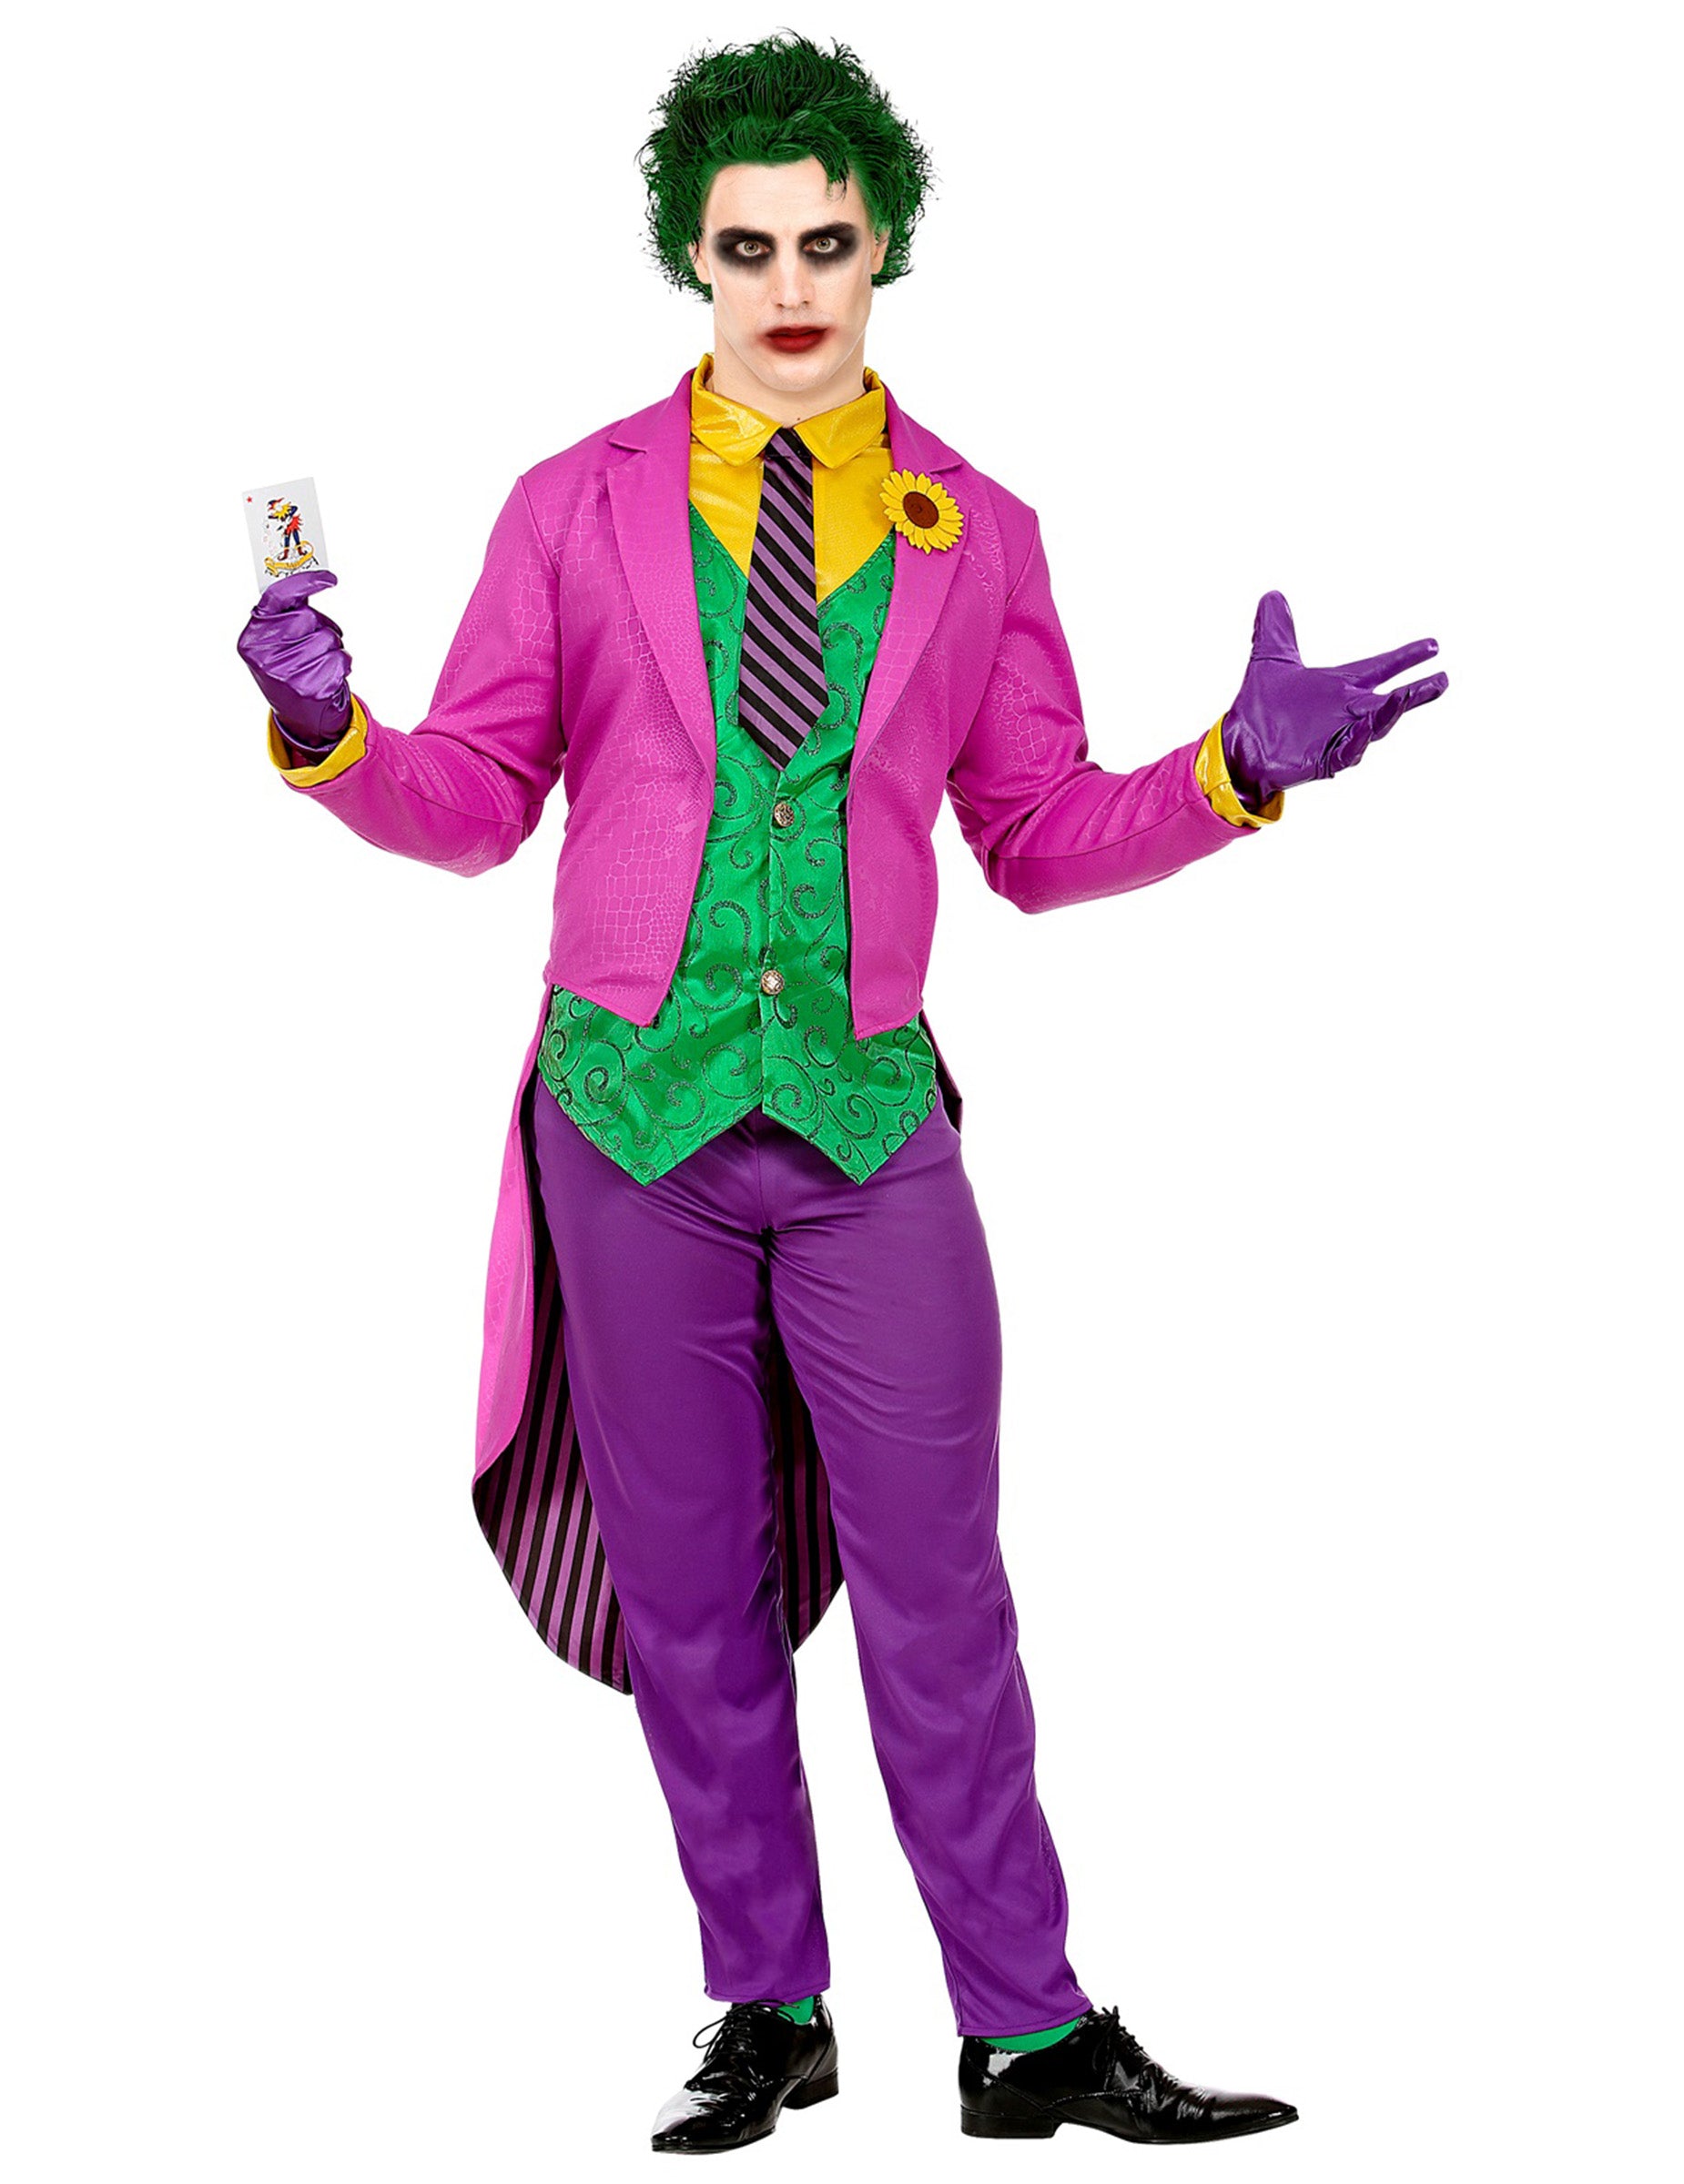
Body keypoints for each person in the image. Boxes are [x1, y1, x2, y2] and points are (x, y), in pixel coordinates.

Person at [238, 30, 1446, 2156]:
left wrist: (1233, 771)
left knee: (941, 1588)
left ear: (885, 245)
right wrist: (335, 739)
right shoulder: (570, 504)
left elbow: (1038, 835)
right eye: (746, 248)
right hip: (630, 1122)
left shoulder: (981, 530)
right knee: (692, 1602)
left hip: (871, 1128)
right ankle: (769, 2007)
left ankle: (1027, 2031)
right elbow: (477, 801)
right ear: (687, 259)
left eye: (827, 242)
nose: (789, 285)